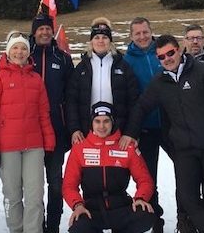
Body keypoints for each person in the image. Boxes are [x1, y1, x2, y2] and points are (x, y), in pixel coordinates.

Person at [123, 35, 204, 233]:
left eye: (170, 53)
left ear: (179, 50)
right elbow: (142, 106)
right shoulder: (159, 82)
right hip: (184, 148)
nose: (167, 59)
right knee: (187, 197)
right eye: (161, 57)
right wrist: (130, 133)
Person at [0, 31, 56, 233]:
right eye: (15, 47)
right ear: (8, 51)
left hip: (34, 146)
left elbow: (44, 114)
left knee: (34, 196)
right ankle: (16, 229)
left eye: (23, 48)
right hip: (8, 147)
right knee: (12, 195)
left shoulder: (36, 79)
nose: (19, 52)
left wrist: (49, 145)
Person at [62, 102, 157, 233]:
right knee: (78, 227)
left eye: (106, 121)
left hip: (121, 207)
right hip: (91, 210)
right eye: (97, 121)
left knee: (145, 216)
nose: (102, 126)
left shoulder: (126, 146)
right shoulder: (80, 148)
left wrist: (140, 198)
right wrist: (77, 205)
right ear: (92, 123)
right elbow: (68, 185)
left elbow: (145, 180)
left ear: (113, 122)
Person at [122, 17, 176, 233]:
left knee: (185, 171)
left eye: (145, 32)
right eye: (138, 34)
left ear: (151, 31)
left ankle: (186, 214)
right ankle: (155, 220)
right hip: (145, 127)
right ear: (131, 36)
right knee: (148, 178)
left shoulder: (162, 51)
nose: (142, 37)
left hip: (172, 124)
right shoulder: (127, 60)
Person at [29, 13, 74, 233]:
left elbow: (72, 96)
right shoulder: (25, 56)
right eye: (40, 29)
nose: (45, 32)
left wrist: (70, 127)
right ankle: (36, 224)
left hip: (57, 132)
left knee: (55, 183)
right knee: (34, 187)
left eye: (48, 29)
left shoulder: (63, 58)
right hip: (29, 134)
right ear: (34, 32)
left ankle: (53, 226)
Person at [66, 17, 139, 145]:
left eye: (104, 38)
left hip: (118, 133)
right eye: (97, 37)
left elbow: (134, 101)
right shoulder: (81, 68)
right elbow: (72, 101)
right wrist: (75, 129)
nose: (101, 41)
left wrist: (130, 132)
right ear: (91, 41)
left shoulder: (123, 66)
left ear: (110, 41)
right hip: (87, 132)